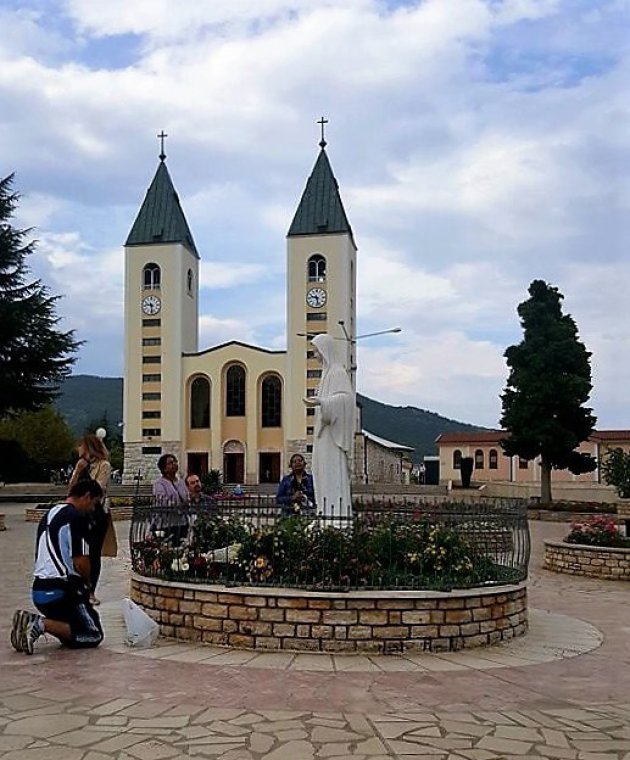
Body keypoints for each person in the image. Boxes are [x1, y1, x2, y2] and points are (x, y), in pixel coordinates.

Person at [10, 479, 105, 655]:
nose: (93, 509)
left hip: (40, 590)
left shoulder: (50, 513)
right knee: (92, 634)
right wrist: (87, 584)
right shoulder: (77, 518)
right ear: (86, 496)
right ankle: (38, 624)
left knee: (72, 633)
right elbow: (80, 560)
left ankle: (30, 625)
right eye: (94, 503)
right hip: (62, 590)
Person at [303, 333, 355, 518]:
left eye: (316, 351)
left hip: (333, 437)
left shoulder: (337, 372)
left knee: (332, 474)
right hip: (324, 435)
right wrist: (321, 402)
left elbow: (347, 400)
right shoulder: (326, 374)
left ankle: (337, 516)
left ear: (325, 350)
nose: (315, 355)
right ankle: (324, 513)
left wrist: (323, 402)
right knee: (321, 473)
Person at [67, 434, 113, 606]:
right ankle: (77, 588)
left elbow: (97, 489)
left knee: (93, 553)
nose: (79, 450)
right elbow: (71, 490)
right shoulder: (81, 466)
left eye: (81, 446)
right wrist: (78, 470)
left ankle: (91, 590)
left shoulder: (103, 466)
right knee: (78, 551)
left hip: (96, 514)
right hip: (79, 514)